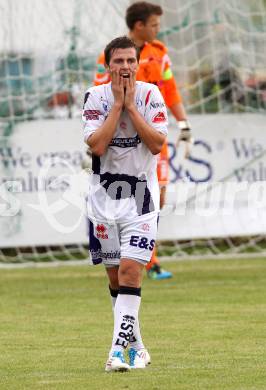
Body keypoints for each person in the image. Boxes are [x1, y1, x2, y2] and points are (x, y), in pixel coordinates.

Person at [83, 36, 168, 372]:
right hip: (102, 201)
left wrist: (132, 106)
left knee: (133, 271)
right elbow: (98, 147)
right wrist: (117, 106)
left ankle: (117, 351)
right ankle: (138, 347)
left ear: (137, 63)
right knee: (118, 280)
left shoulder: (151, 95)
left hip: (141, 200)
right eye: (119, 62)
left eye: (131, 61)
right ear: (108, 66)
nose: (126, 67)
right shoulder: (94, 97)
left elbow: (158, 144)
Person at [94, 1, 193, 280]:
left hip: (152, 136)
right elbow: (98, 93)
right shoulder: (114, 55)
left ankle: (145, 257)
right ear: (139, 25)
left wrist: (184, 123)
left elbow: (170, 90)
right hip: (120, 140)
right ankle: (134, 260)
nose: (158, 29)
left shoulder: (160, 53)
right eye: (154, 24)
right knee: (123, 198)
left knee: (156, 196)